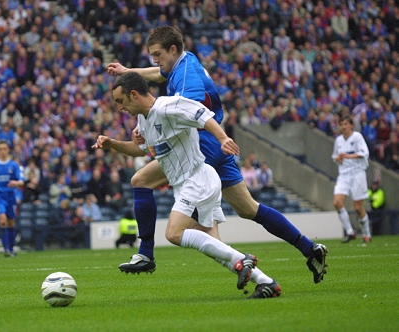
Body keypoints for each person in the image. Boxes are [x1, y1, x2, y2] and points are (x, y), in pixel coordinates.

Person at [106, 26, 327, 284]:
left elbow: (188, 107)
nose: (155, 60)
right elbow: (159, 73)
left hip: (205, 143)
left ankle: (146, 254)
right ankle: (308, 249)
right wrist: (129, 72)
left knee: (142, 182)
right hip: (217, 145)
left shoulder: (186, 74)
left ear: (173, 49)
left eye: (157, 53)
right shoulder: (183, 64)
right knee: (248, 209)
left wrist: (150, 126)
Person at [93, 72, 281, 299]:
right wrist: (112, 143)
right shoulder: (144, 118)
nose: (120, 107)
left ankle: (242, 260)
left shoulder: (168, 106)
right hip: (186, 184)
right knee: (215, 247)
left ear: (133, 94)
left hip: (197, 179)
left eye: (120, 101)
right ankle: (267, 282)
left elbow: (203, 116)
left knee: (174, 233)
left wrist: (222, 139)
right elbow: (140, 149)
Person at [332, 115, 372, 243]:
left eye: (345, 124)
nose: (343, 127)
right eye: (341, 124)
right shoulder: (338, 140)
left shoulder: (357, 137)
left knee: (358, 208)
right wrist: (337, 159)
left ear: (351, 125)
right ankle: (350, 232)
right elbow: (335, 156)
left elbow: (364, 153)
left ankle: (367, 234)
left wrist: (348, 156)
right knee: (337, 202)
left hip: (357, 174)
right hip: (343, 174)